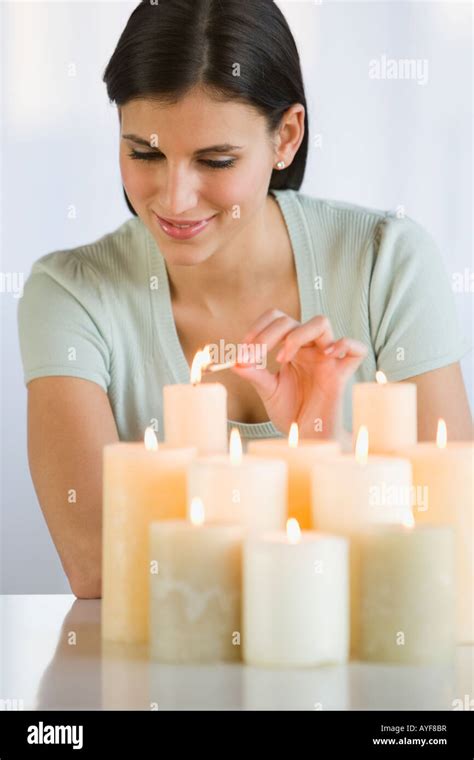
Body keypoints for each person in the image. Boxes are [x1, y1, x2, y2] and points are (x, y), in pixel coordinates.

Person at [18, 0, 472, 599]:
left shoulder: (387, 263)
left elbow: (451, 541)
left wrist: (318, 443)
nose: (175, 200)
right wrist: (318, 487)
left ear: (285, 137)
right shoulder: (71, 295)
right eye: (145, 153)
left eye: (216, 160)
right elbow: (99, 565)